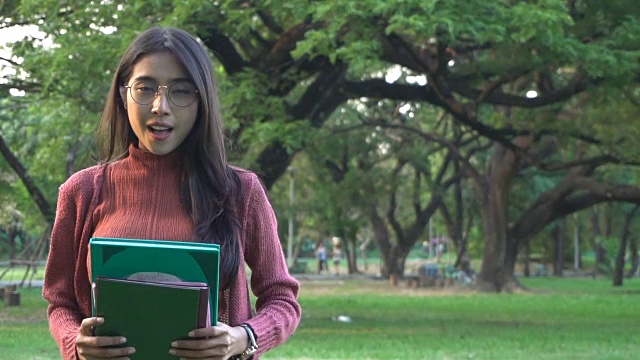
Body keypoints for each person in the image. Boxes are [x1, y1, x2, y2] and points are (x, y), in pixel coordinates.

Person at [42, 27, 301, 360]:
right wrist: (75, 343)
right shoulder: (82, 191)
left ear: (201, 100)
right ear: (123, 95)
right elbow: (59, 302)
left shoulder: (240, 191)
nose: (160, 106)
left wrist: (242, 338)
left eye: (181, 91)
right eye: (145, 88)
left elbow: (282, 299)